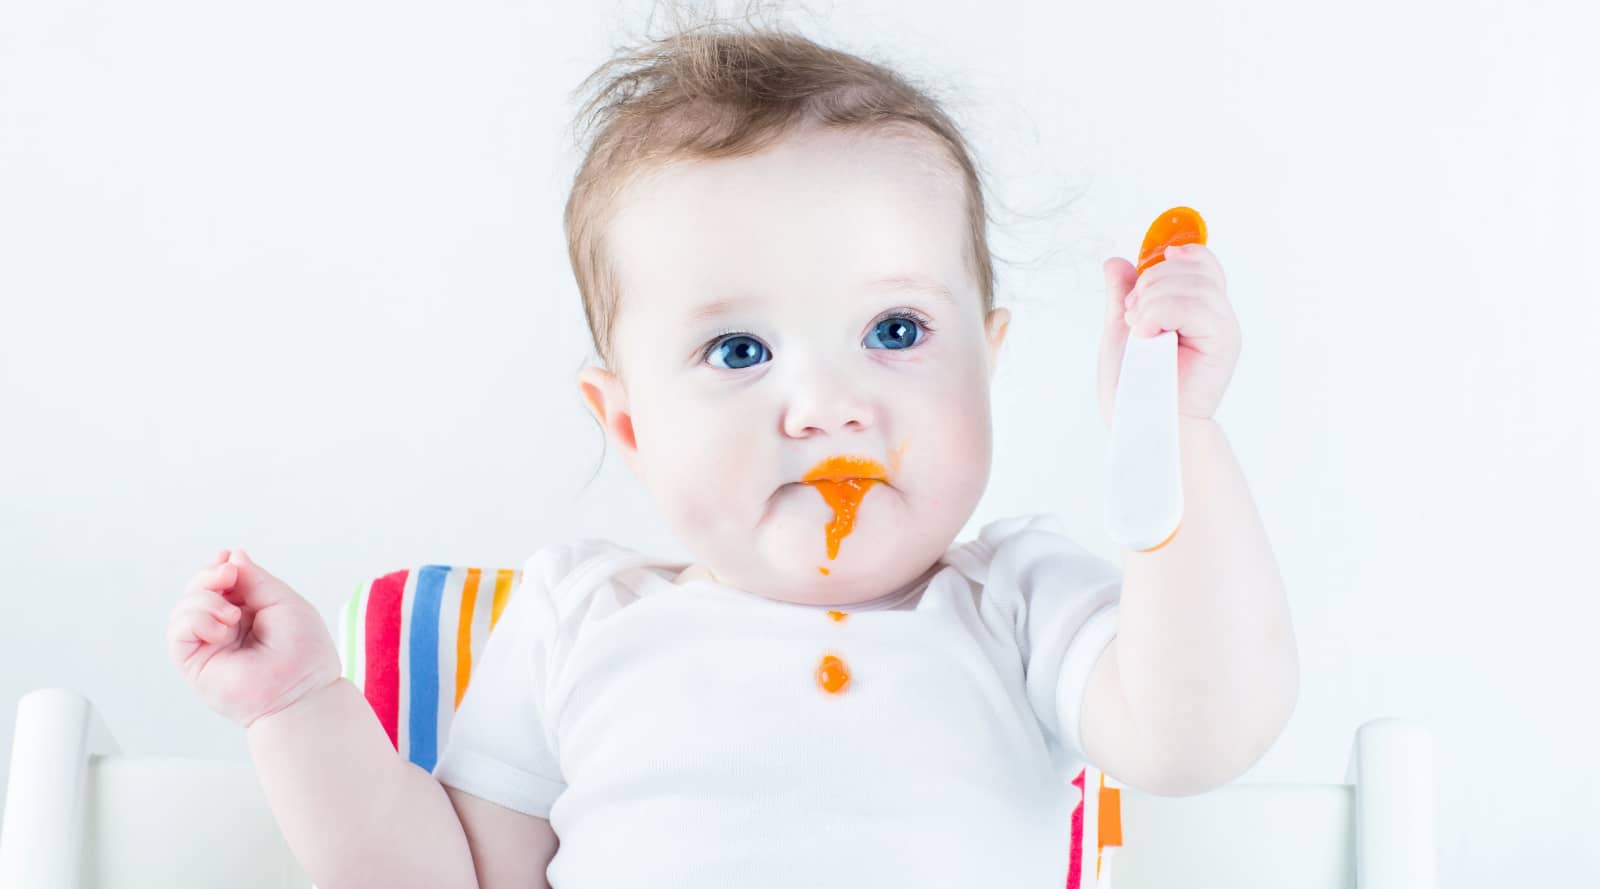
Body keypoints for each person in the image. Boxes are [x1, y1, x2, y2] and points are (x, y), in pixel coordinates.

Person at [167, 14, 1297, 889]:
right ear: (627, 424)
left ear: (984, 365)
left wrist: (1178, 433)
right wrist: (302, 704)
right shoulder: (578, 622)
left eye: (895, 333)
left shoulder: (1017, 606)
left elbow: (1197, 734)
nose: (824, 406)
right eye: (739, 348)